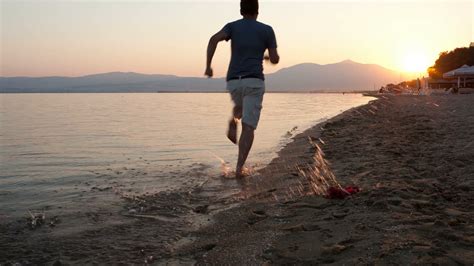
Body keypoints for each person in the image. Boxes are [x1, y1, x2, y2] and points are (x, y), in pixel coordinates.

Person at [205, 0, 279, 178]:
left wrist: (208, 66)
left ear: (241, 10)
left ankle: (233, 120)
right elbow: (275, 59)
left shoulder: (232, 27)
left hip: (233, 81)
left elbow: (213, 39)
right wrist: (267, 56)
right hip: (253, 81)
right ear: (257, 11)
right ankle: (239, 169)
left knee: (240, 106)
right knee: (249, 127)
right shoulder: (266, 30)